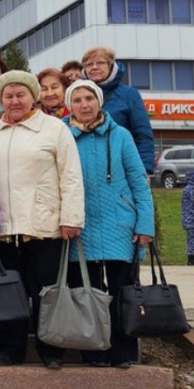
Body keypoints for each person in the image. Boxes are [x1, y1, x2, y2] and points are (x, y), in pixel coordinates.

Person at [0, 70, 84, 369]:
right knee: (8, 294)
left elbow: (71, 176)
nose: (15, 100)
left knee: (46, 293)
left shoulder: (53, 129)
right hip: (3, 230)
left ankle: (50, 349)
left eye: (20, 94)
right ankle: (9, 350)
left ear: (33, 97)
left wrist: (71, 217)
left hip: (44, 227)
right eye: (8, 96)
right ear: (1, 100)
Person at [63, 79, 154, 368]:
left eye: (89, 98)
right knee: (86, 293)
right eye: (77, 100)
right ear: (69, 105)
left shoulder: (122, 135)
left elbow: (139, 180)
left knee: (122, 291)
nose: (84, 104)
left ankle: (122, 351)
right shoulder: (61, 135)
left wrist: (145, 224)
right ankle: (93, 350)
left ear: (99, 101)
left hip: (120, 225)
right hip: (81, 226)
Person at [81, 47, 155, 175]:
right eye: (89, 64)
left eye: (100, 63)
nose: (94, 67)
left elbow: (143, 134)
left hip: (122, 167)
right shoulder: (77, 96)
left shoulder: (129, 94)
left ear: (110, 66)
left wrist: (145, 169)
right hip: (86, 169)